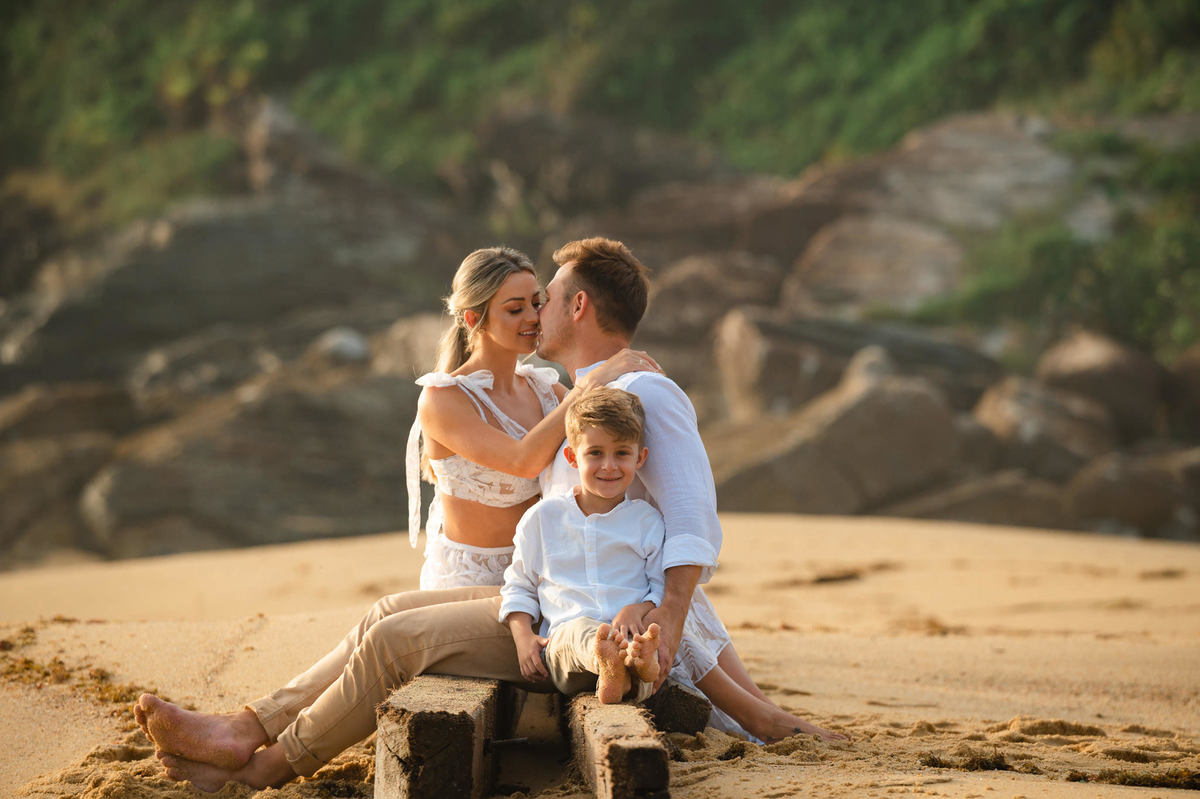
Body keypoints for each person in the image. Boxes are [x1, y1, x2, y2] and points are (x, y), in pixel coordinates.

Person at [134, 238, 842, 793]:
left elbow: (689, 515)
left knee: (393, 641)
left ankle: (263, 766)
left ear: (578, 307)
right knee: (385, 612)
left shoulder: (642, 394)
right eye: (520, 305)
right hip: (543, 597)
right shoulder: (580, 391)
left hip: (590, 620)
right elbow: (541, 505)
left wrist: (676, 621)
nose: (537, 314)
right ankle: (246, 725)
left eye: (547, 298)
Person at [502, 387, 664, 704]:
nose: (609, 466)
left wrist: (640, 608)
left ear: (640, 458)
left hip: (627, 634)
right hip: (566, 644)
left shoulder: (647, 522)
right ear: (573, 457)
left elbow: (660, 585)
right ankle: (610, 659)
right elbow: (519, 585)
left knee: (638, 645)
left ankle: (634, 668)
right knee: (579, 632)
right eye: (595, 453)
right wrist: (523, 638)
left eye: (621, 453)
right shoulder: (543, 518)